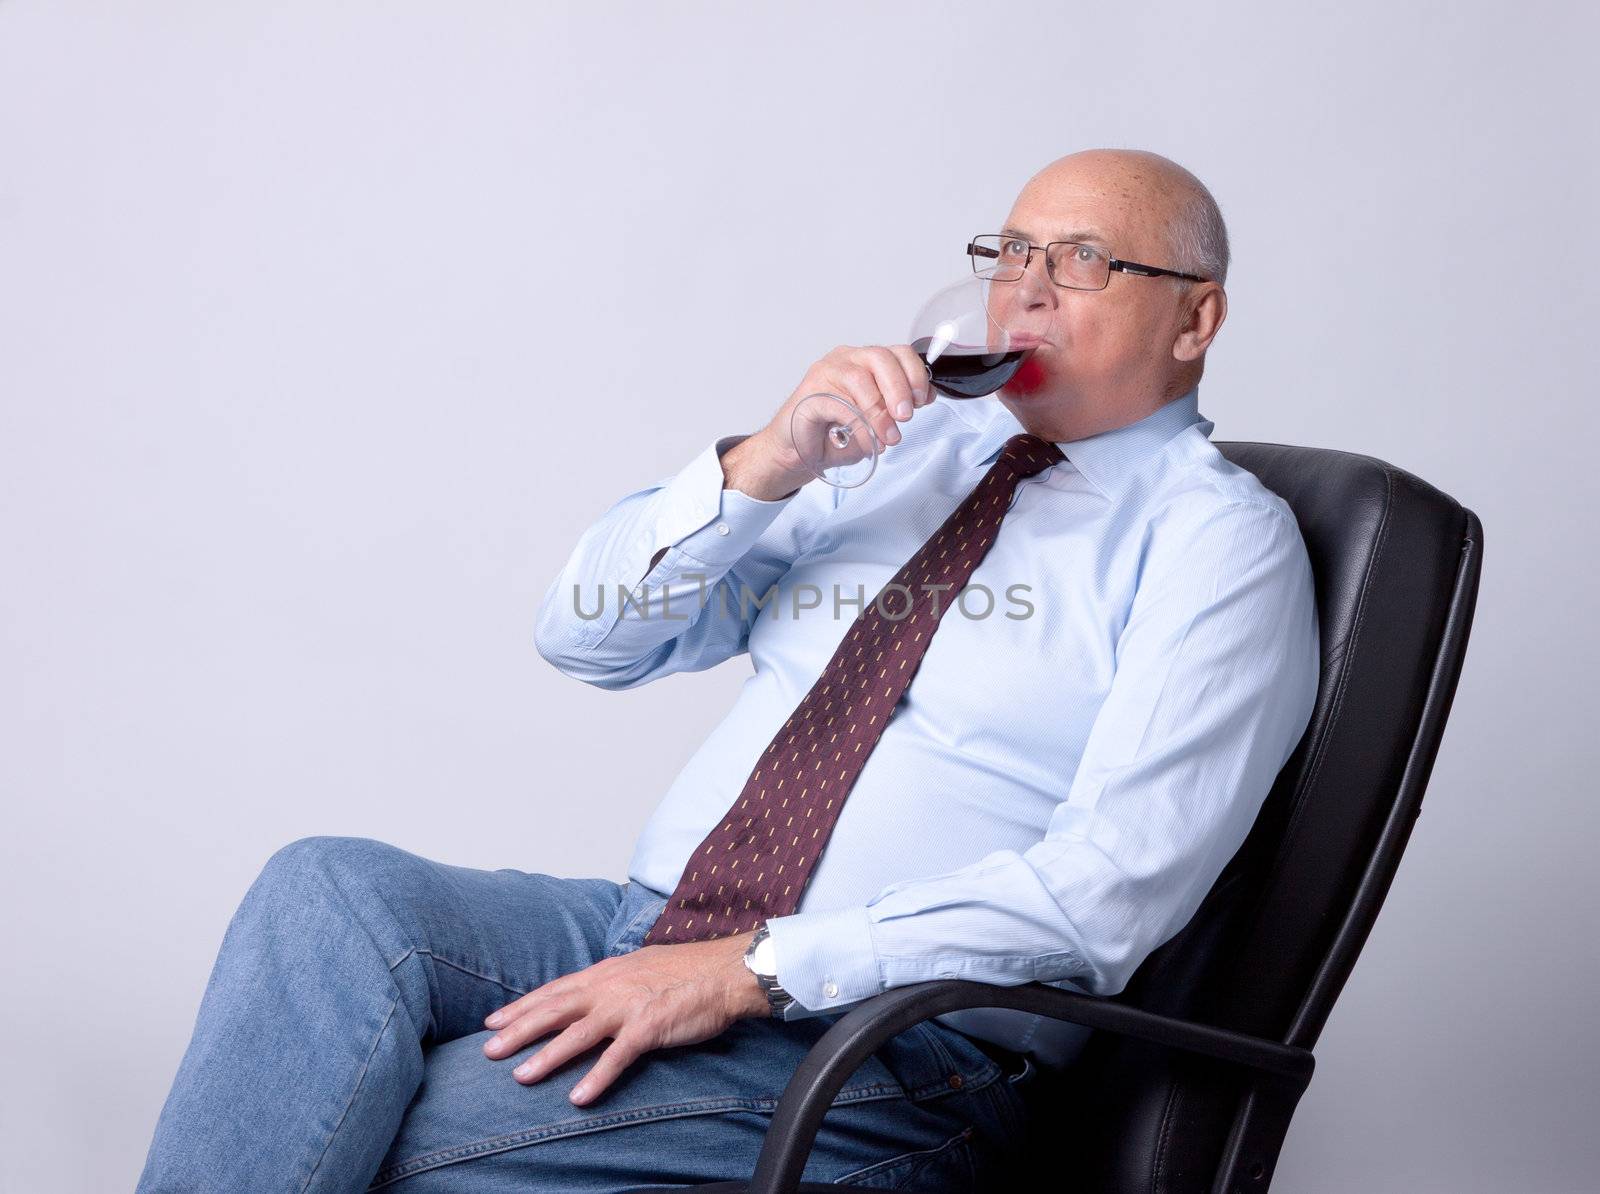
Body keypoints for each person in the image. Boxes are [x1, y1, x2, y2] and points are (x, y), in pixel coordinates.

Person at [137, 148, 1320, 1192]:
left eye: (1082, 261)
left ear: (1195, 319)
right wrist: (763, 463)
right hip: (640, 926)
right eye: (1010, 251)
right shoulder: (907, 453)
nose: (1025, 287)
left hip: (889, 1045)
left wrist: (750, 971)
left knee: (402, 1121)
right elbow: (588, 635)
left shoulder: (1215, 544)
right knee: (329, 893)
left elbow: (1101, 894)